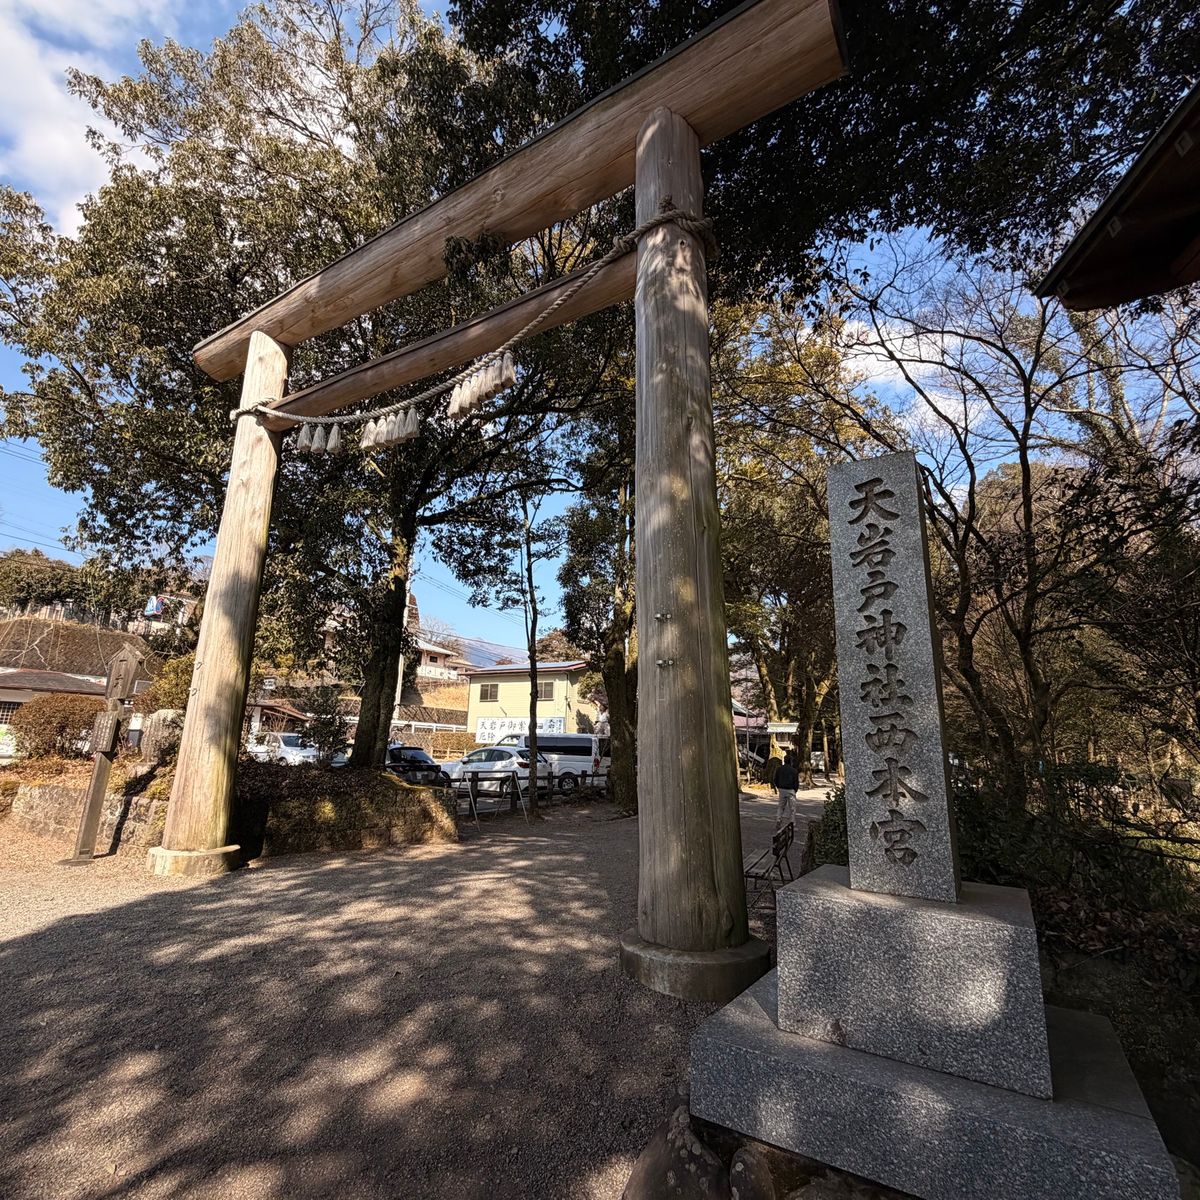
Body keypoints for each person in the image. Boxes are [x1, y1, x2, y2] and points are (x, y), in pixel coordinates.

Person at [772, 751, 800, 831]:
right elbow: (796, 782)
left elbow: (775, 779)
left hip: (782, 789)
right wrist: (795, 790)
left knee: (781, 807)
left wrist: (778, 787)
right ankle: (792, 823)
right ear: (791, 761)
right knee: (792, 808)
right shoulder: (794, 771)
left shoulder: (779, 769)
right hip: (791, 790)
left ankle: (778, 819)